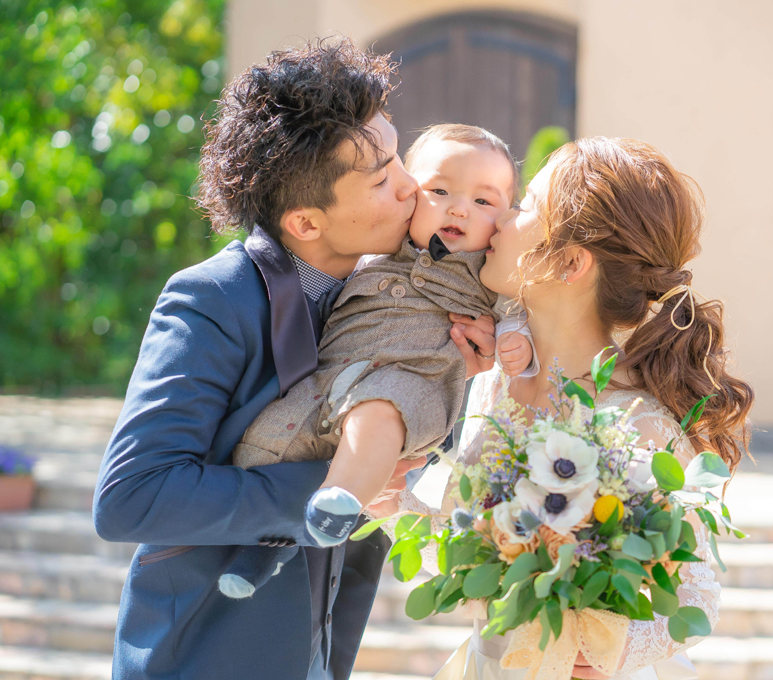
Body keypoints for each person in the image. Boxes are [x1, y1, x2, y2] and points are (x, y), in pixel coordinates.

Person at [92, 38, 496, 680]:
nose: (410, 185)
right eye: (383, 176)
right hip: (205, 657)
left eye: (399, 158)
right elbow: (130, 499)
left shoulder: (397, 291)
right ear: (306, 223)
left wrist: (455, 374)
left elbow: (397, 445)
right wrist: (334, 489)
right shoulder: (211, 299)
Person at [389, 137, 755, 680]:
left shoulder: (637, 421)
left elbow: (698, 600)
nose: (504, 217)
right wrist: (389, 498)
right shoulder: (495, 384)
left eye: (528, 205)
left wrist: (604, 653)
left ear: (569, 263)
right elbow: (463, 534)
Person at [218, 124, 539, 599]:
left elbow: (518, 311)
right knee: (266, 442)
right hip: (328, 385)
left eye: (483, 202)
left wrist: (515, 343)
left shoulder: (487, 275)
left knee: (378, 413)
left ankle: (341, 499)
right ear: (410, 192)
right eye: (441, 190)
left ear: (504, 220)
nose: (458, 208)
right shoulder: (375, 250)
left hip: (411, 387)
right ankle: (264, 550)